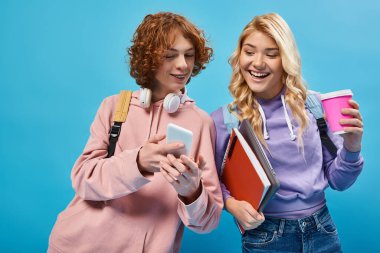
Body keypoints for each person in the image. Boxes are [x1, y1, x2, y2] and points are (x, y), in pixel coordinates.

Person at [48, 12, 223, 253]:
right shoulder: (114, 106)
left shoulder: (202, 122)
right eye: (170, 55)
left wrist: (192, 193)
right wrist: (138, 162)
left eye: (189, 55)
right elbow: (83, 180)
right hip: (78, 245)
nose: (183, 64)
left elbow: (208, 222)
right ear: (148, 60)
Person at [211, 13, 364, 252]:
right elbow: (210, 180)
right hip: (265, 237)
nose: (258, 63)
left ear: (286, 59)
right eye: (249, 52)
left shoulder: (315, 107)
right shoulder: (226, 120)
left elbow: (339, 181)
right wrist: (231, 205)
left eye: (271, 54)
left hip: (322, 229)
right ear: (239, 56)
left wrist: (352, 147)